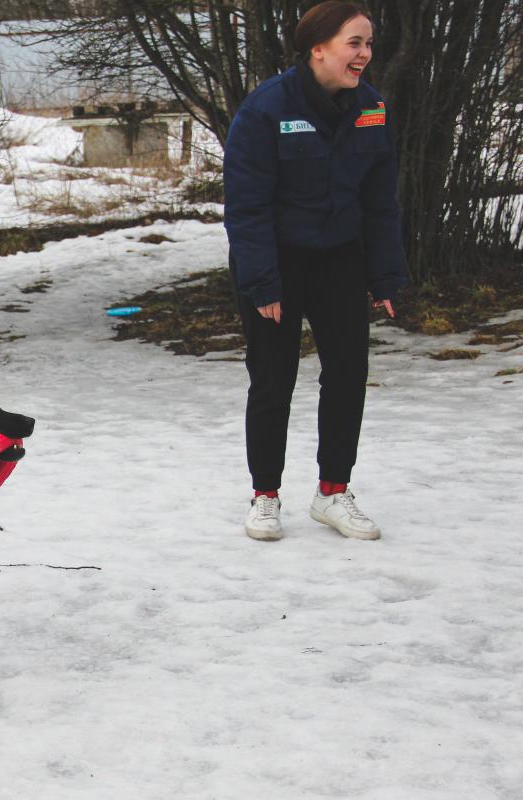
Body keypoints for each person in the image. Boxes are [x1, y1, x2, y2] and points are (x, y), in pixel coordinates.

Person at [223, 0, 406, 542]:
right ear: (318, 48)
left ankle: (332, 493)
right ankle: (265, 495)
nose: (365, 54)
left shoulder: (371, 108)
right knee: (274, 380)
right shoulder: (265, 109)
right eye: (355, 43)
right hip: (276, 260)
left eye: (369, 43)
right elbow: (246, 206)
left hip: (340, 258)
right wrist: (261, 282)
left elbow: (380, 202)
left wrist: (386, 275)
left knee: (348, 375)